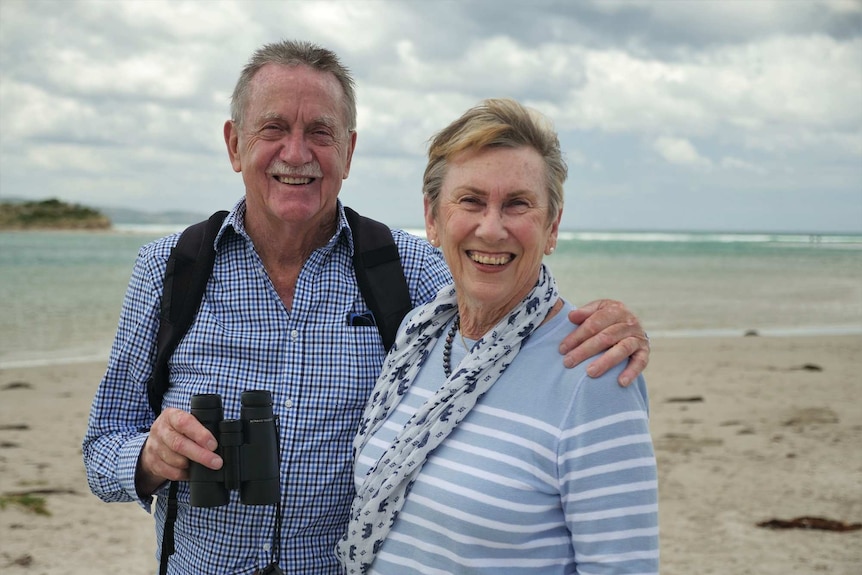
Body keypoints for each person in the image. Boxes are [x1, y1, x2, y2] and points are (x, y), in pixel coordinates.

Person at [82, 41, 650, 575]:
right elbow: (102, 446)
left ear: (349, 151)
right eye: (274, 128)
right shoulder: (171, 268)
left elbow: (504, 288)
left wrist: (611, 323)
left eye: (321, 133)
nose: (297, 153)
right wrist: (149, 459)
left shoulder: (409, 270)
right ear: (234, 144)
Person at [337, 98, 659, 574]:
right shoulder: (417, 337)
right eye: (470, 200)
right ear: (432, 218)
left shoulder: (595, 371)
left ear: (552, 226)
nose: (491, 229)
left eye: (517, 205)